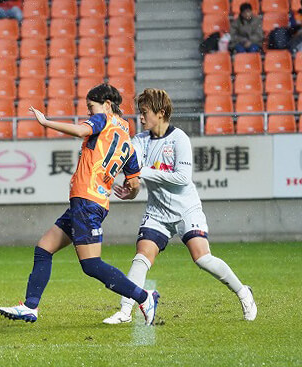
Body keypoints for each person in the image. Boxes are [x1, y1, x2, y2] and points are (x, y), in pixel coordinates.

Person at [0, 84, 160, 326]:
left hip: (87, 201)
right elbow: (134, 184)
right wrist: (129, 194)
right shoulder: (127, 141)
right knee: (44, 248)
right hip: (91, 202)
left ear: (106, 104)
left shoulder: (103, 119)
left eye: (90, 107)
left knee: (91, 264)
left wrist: (46, 122)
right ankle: (30, 307)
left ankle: (144, 297)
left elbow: (80, 130)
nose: (89, 113)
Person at [103, 89, 257, 324]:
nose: (140, 117)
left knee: (202, 258)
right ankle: (125, 311)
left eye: (144, 112)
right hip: (157, 212)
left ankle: (243, 292)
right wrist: (130, 189)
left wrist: (142, 172)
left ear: (161, 112)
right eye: (140, 112)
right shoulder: (140, 141)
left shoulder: (179, 139)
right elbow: (131, 169)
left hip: (186, 209)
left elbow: (182, 177)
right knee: (141, 257)